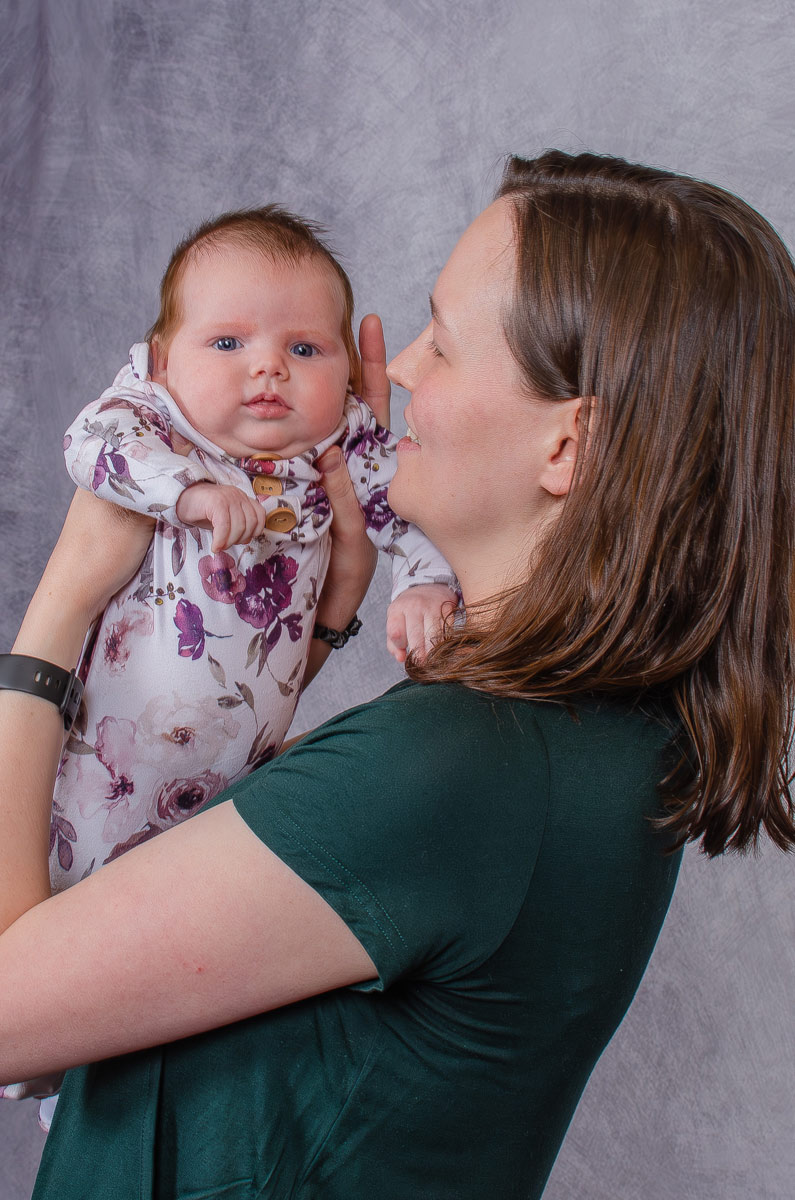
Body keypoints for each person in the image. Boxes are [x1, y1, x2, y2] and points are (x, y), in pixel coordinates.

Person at [1, 150, 794, 1200]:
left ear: (569, 447)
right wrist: (325, 626)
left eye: (448, 343)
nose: (403, 365)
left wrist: (60, 608)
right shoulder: (588, 737)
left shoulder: (456, 767)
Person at [48, 206, 457, 895]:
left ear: (348, 372)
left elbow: (408, 511)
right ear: (161, 356)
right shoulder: (158, 421)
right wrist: (188, 494)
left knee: (179, 926)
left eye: (304, 350)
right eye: (228, 343)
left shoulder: (341, 445)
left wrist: (423, 583)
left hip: (237, 785)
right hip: (97, 772)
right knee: (61, 910)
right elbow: (89, 446)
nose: (268, 365)